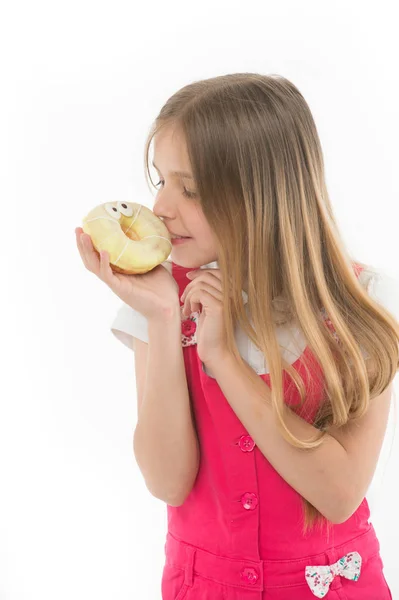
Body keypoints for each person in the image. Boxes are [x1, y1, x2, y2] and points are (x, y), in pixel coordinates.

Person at [76, 73, 399, 599]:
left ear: (264, 195)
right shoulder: (161, 299)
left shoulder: (362, 301)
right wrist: (160, 318)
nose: (160, 208)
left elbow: (338, 493)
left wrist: (224, 359)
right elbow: (167, 481)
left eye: (192, 189)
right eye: (160, 180)